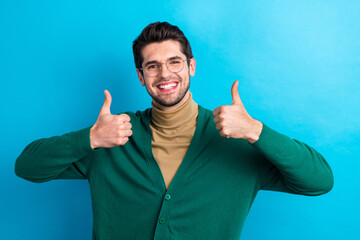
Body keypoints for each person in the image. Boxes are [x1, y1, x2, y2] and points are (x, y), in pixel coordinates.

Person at [15, 22, 334, 240]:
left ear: (191, 66)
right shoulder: (114, 135)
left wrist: (256, 131)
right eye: (152, 66)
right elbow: (27, 167)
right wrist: (90, 138)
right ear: (141, 76)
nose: (164, 73)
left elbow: (319, 181)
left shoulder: (237, 139)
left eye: (175, 62)